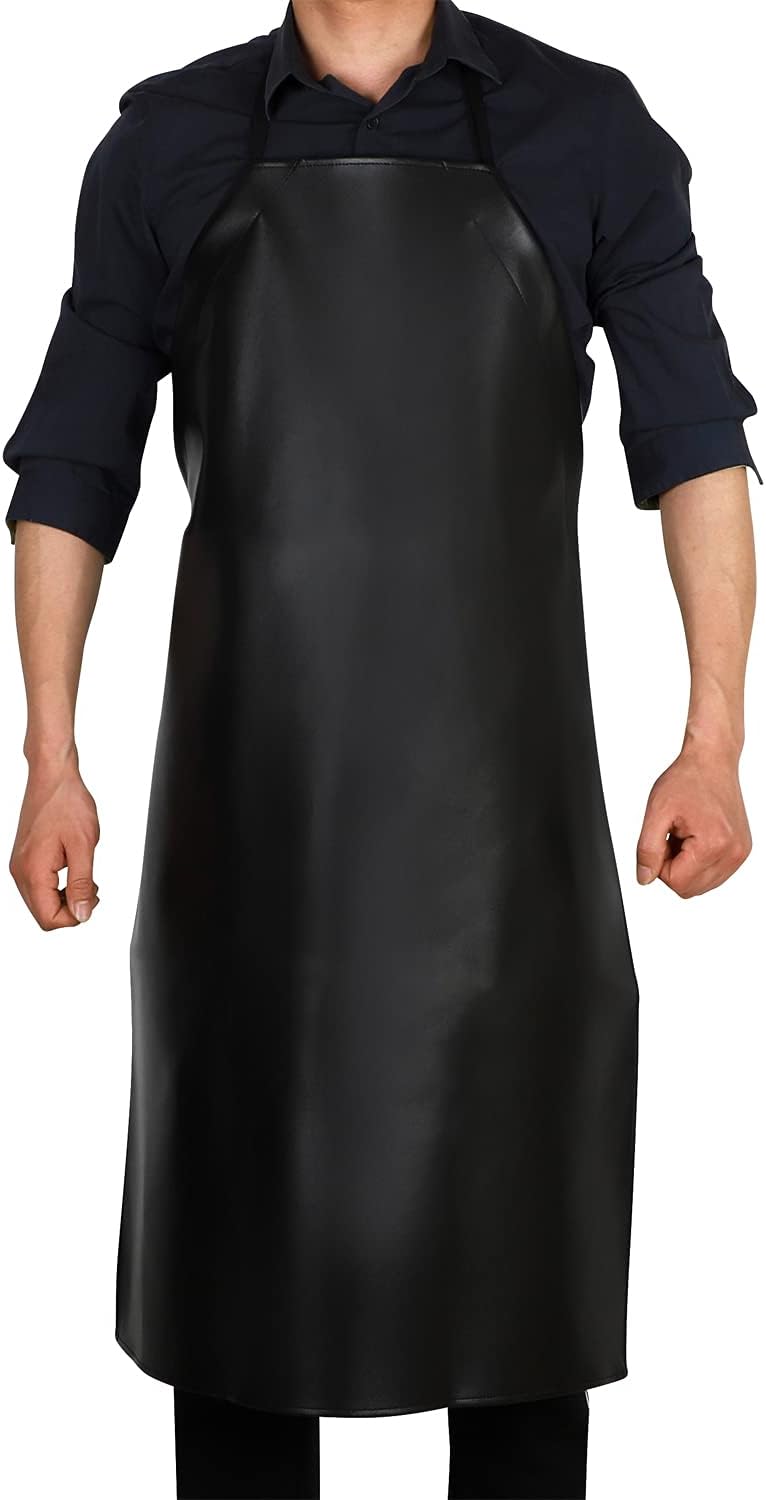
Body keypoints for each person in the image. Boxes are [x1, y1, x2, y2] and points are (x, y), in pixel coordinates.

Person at [4, 3, 758, 1497]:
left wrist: (713, 738)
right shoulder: (165, 138)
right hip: (249, 866)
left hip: (511, 877)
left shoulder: (586, 127)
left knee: (520, 1356)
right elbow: (72, 468)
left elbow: (695, 445)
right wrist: (49, 754)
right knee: (237, 1355)